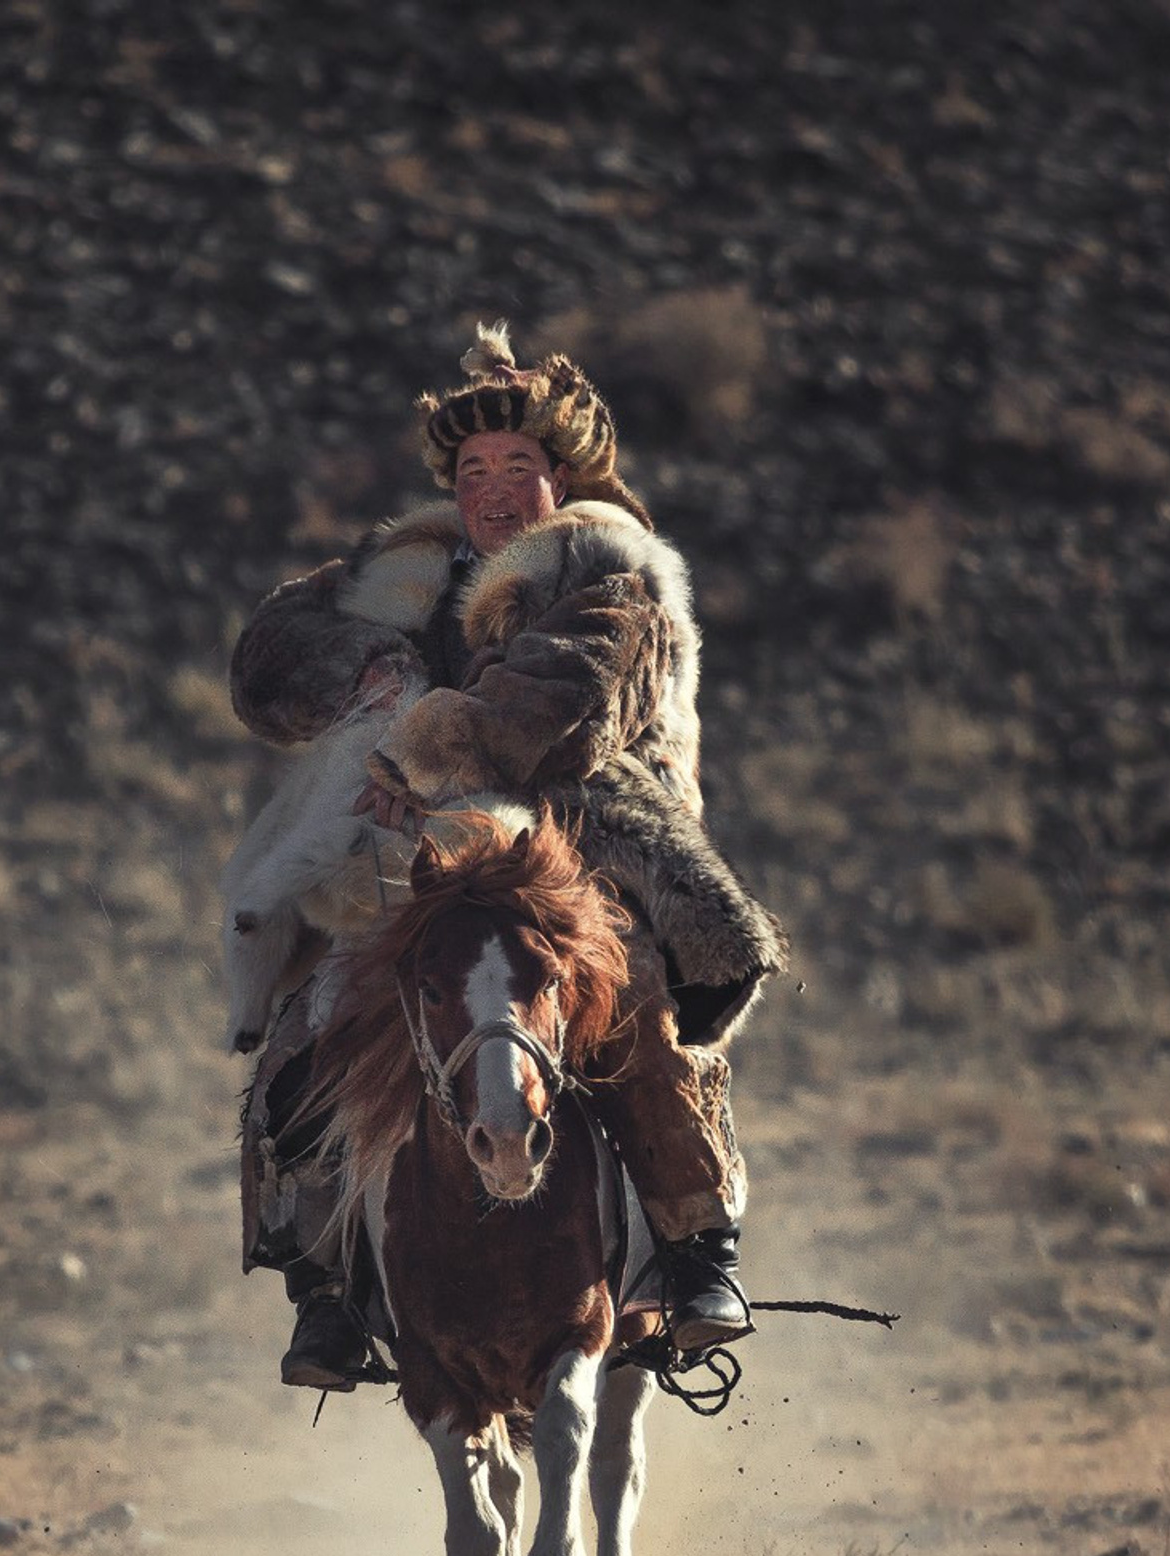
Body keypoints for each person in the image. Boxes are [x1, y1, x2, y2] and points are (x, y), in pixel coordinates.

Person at [230, 322, 787, 1390]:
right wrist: (376, 667)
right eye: (472, 469)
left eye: (517, 466)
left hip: (588, 850)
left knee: (640, 1014)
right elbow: (269, 663)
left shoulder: (617, 580)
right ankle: (326, 1287)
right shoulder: (411, 575)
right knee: (307, 1042)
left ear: (563, 476)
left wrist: (420, 737)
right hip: (424, 860)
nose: (490, 488)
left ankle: (695, 1248)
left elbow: (556, 715)